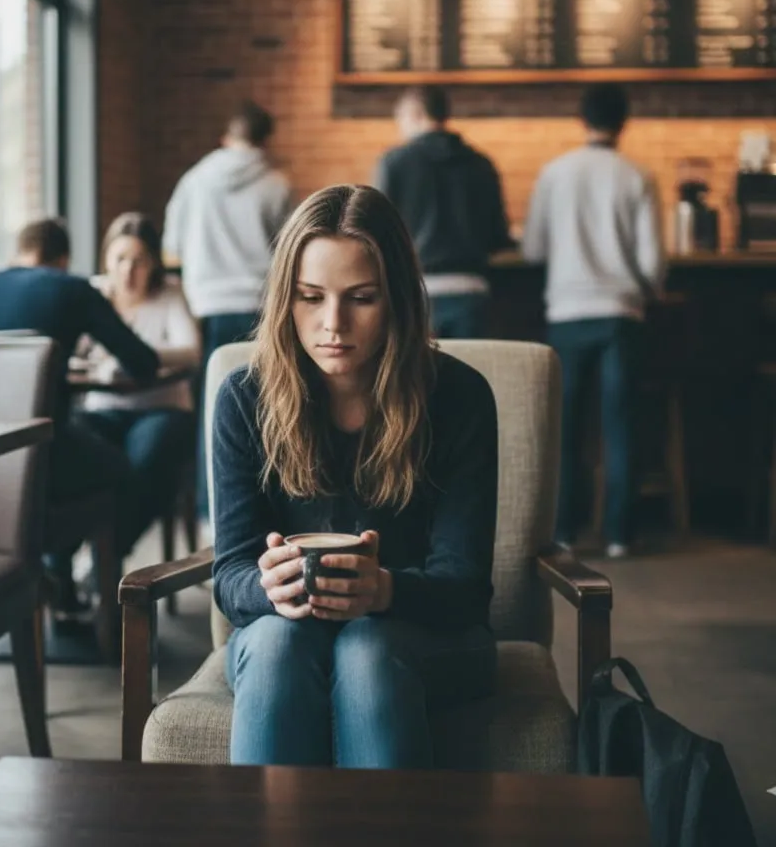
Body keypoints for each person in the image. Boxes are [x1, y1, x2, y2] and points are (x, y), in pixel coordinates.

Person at [212, 184, 498, 769]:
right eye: (310, 297)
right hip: (284, 635)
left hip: (430, 634)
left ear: (397, 299)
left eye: (361, 298)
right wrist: (267, 586)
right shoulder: (245, 399)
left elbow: (467, 587)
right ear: (283, 301)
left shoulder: (459, 397)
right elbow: (230, 574)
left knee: (368, 648)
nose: (332, 324)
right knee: (274, 644)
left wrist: (384, 590)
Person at [0, 217, 161, 610]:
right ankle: (91, 591)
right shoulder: (72, 289)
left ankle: (54, 582)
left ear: (18, 254)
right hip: (39, 458)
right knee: (121, 470)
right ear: (63, 259)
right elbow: (143, 362)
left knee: (79, 448)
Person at [522, 83, 665, 559]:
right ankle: (621, 534)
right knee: (620, 425)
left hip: (566, 312)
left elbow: (534, 249)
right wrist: (646, 290)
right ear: (624, 121)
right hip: (621, 314)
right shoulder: (637, 176)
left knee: (562, 427)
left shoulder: (554, 173)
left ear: (582, 119)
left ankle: (562, 530)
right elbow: (652, 261)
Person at [162, 99, 293, 518]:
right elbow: (292, 252)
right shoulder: (277, 184)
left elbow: (173, 247)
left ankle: (210, 513)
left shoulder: (194, 181)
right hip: (259, 308)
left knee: (213, 413)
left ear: (225, 137)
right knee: (272, 408)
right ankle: (267, 512)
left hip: (205, 308)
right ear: (265, 140)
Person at [75, 212, 200, 552]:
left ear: (153, 264)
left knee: (146, 460)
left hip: (161, 408)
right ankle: (64, 570)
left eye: (139, 261)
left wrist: (132, 355)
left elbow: (190, 350)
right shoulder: (94, 295)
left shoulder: (169, 292)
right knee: (69, 449)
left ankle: (111, 551)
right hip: (103, 408)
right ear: (106, 260)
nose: (128, 271)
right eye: (120, 259)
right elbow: (75, 351)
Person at [373, 85, 514, 339]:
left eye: (400, 119)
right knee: (468, 375)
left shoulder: (394, 162)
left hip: (415, 291)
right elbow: (498, 237)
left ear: (415, 114)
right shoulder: (482, 164)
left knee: (418, 377)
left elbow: (374, 230)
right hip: (472, 289)